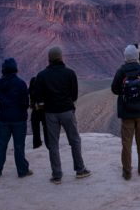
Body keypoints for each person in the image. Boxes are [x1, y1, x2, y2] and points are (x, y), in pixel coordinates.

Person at [32, 46, 91, 184]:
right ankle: (80, 170)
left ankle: (57, 175)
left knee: (53, 144)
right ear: (61, 57)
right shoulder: (70, 73)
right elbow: (74, 95)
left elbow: (38, 97)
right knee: (74, 140)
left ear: (49, 59)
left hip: (50, 113)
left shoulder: (41, 75)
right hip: (67, 111)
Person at [111, 44, 140, 180]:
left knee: (127, 144)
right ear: (137, 57)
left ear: (125, 57)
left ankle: (127, 172)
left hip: (127, 113)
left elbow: (114, 89)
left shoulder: (121, 71)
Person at [0, 58, 32, 178]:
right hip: (19, 119)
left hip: (3, 119)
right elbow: (25, 103)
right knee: (19, 146)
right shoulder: (21, 83)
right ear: (15, 69)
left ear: (3, 70)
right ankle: (22, 171)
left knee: (1, 145)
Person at [28, 76, 47, 149]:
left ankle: (36, 144)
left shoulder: (31, 90)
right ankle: (48, 143)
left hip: (35, 111)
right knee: (46, 128)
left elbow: (31, 102)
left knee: (35, 130)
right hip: (44, 111)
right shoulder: (43, 88)